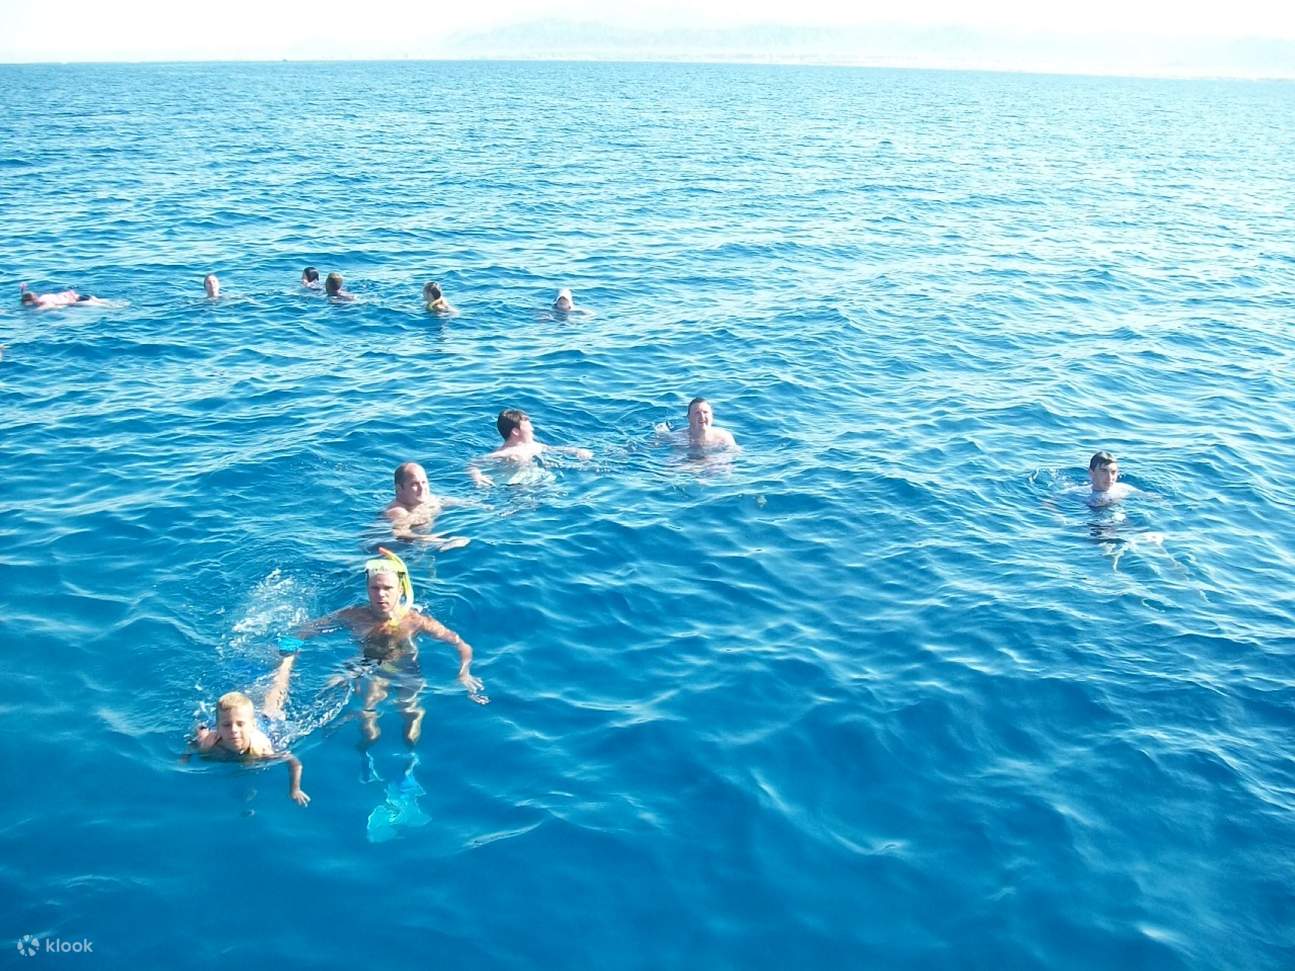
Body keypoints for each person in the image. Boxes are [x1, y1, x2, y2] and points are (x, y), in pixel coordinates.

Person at [288, 549, 488, 745]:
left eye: (387, 588)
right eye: (375, 588)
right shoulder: (354, 615)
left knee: (410, 722)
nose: (381, 595)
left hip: (406, 671)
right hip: (368, 666)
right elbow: (301, 631)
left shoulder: (416, 621)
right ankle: (363, 749)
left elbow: (463, 646)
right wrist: (285, 656)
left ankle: (410, 757)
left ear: (400, 590)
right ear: (367, 589)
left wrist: (464, 673)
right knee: (368, 729)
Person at [193, 655, 310, 805]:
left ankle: (287, 660)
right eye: (227, 726)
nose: (234, 730)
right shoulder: (209, 742)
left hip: (266, 724)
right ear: (218, 728)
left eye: (239, 725)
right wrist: (183, 759)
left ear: (251, 726)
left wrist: (295, 789)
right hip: (230, 723)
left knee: (276, 695)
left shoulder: (262, 749)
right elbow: (196, 737)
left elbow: (294, 763)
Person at [468, 409, 593, 487]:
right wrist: (477, 476)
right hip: (514, 485)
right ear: (516, 432)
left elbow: (555, 450)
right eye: (528, 426)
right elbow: (474, 463)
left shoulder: (534, 446)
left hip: (536, 480)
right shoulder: (507, 452)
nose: (532, 429)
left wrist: (577, 451)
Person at [384, 461, 470, 550]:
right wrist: (442, 541)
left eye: (424, 482)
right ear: (399, 488)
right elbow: (400, 533)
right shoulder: (398, 511)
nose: (422, 488)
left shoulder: (428, 500)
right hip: (399, 549)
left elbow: (455, 502)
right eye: (414, 484)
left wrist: (478, 505)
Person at [19, 283, 106, 310]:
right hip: (78, 296)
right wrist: (22, 290)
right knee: (105, 303)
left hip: (78, 301)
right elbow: (26, 297)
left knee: (106, 308)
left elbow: (37, 310)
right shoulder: (44, 296)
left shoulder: (44, 303)